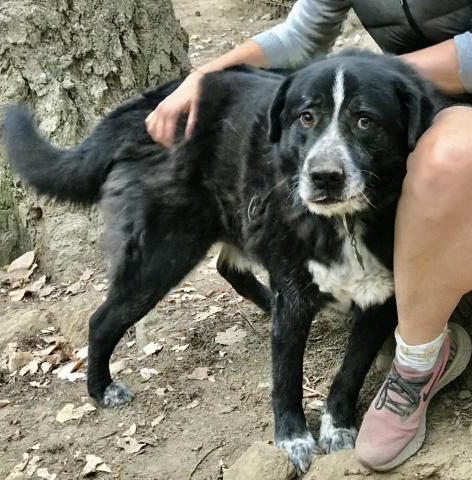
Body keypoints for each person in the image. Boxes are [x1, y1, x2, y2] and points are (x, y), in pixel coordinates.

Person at [146, 0, 472, 471]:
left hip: (426, 99)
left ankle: (416, 365)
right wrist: (205, 76)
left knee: (444, 160)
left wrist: (372, 75)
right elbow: (302, 35)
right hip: (399, 100)